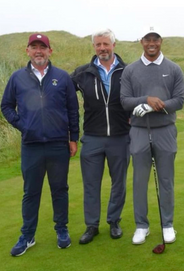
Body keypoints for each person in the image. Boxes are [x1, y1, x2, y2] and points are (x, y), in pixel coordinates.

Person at [1, 33, 79, 256]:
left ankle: (61, 230)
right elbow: (6, 106)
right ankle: (27, 235)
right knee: (31, 192)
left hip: (57, 145)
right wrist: (23, 125)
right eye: (34, 47)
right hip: (31, 145)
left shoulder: (62, 77)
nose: (38, 51)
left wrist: (73, 137)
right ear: (27, 51)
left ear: (49, 51)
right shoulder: (17, 78)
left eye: (42, 47)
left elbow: (73, 110)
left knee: (60, 190)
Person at [120, 27, 184, 245]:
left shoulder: (173, 68)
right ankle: (142, 226)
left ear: (161, 41)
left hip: (165, 130)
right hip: (138, 131)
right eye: (147, 39)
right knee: (139, 180)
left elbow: (179, 100)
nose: (151, 43)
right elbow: (125, 101)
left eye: (155, 39)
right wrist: (145, 100)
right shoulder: (130, 70)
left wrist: (157, 106)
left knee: (166, 180)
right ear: (141, 41)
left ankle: (167, 224)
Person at [70, 29, 130, 244]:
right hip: (92, 137)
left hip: (120, 136)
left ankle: (114, 221)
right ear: (94, 47)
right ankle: (91, 225)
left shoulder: (127, 70)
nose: (102, 48)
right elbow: (63, 96)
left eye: (106, 44)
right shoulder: (82, 72)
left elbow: (138, 95)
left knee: (119, 183)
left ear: (114, 45)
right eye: (98, 45)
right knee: (91, 184)